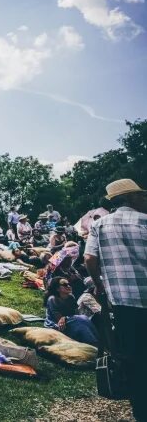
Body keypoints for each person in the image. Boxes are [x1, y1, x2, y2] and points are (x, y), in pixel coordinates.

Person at [84, 180, 147, 420]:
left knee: (135, 358)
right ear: (132, 198)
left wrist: (99, 284)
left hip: (123, 303)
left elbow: (89, 258)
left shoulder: (99, 226)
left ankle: (141, 410)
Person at [44, 278, 99, 346]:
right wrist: (67, 318)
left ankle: (95, 342)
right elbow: (59, 320)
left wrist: (68, 318)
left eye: (69, 284)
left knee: (83, 319)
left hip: (68, 319)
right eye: (65, 285)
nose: (68, 286)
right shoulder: (52, 299)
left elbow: (76, 313)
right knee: (81, 322)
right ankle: (93, 343)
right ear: (57, 289)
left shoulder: (71, 297)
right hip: (55, 324)